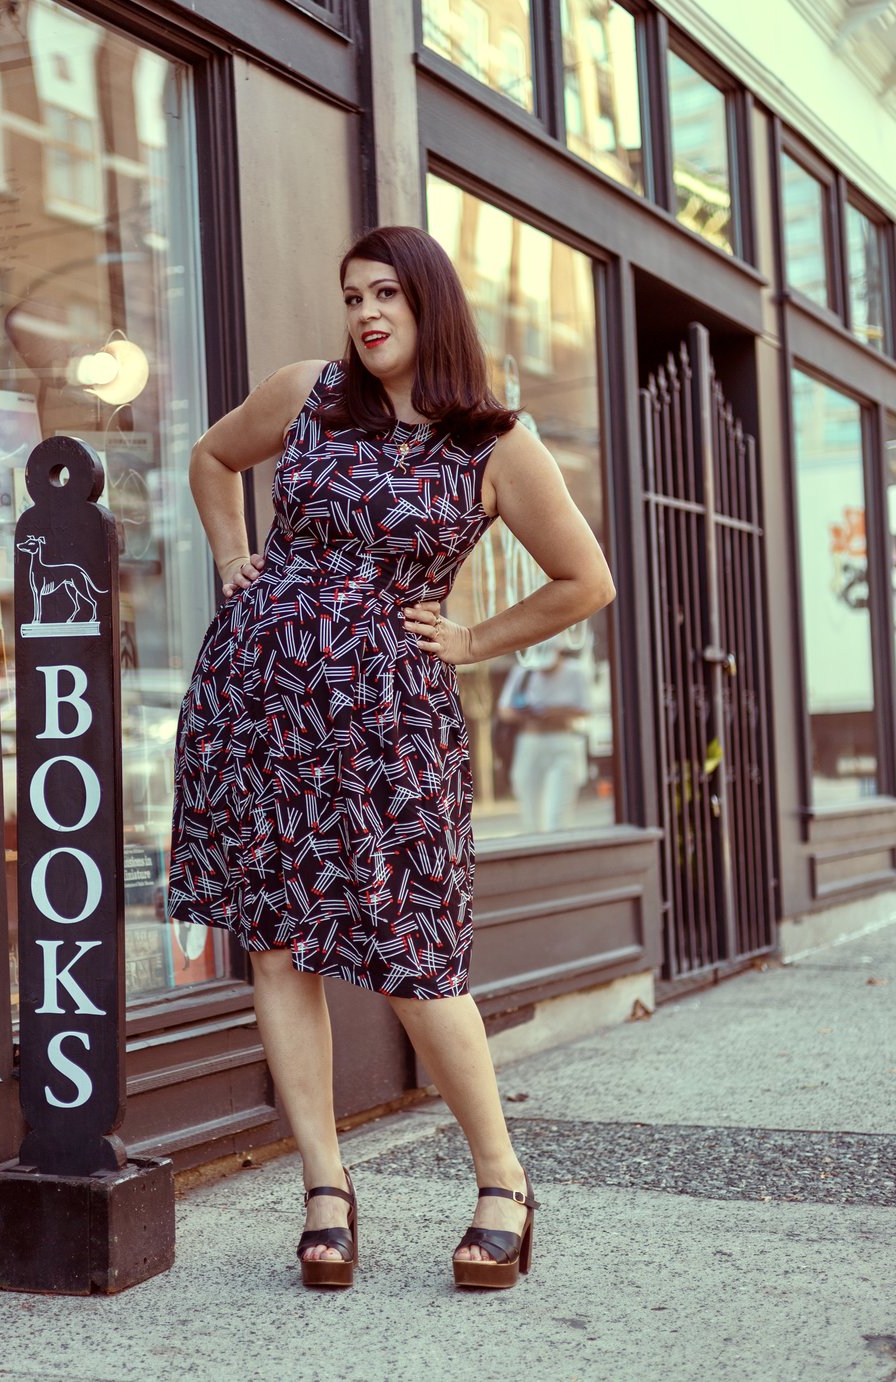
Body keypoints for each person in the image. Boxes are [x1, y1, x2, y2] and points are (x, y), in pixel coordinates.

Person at [167, 226, 615, 1290]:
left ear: (430, 304)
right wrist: (233, 554)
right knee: (277, 946)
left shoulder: (493, 441)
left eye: (386, 295)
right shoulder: (306, 394)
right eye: (352, 296)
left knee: (415, 955)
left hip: (391, 724)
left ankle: (502, 1181)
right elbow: (212, 457)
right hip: (260, 704)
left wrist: (473, 640)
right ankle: (324, 1187)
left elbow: (584, 580)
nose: (366, 315)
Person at [497, 639, 592, 833]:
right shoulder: (523, 673)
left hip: (561, 741)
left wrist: (555, 713)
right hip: (529, 742)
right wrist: (528, 714)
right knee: (531, 815)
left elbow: (585, 709)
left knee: (558, 815)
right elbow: (504, 711)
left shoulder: (574, 672)